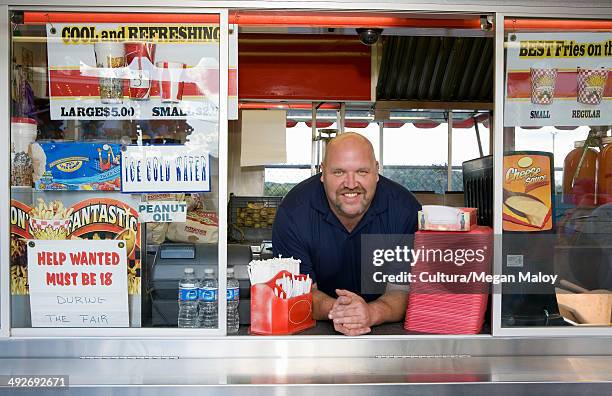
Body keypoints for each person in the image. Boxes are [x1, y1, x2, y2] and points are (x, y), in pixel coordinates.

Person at [272, 132, 421, 336]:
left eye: (362, 171)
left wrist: (369, 313)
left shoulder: (405, 211)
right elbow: (298, 293)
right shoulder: (293, 213)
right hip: (315, 331)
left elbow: (402, 292)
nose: (351, 184)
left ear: (377, 171)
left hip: (387, 328)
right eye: (339, 172)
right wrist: (340, 312)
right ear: (322, 172)